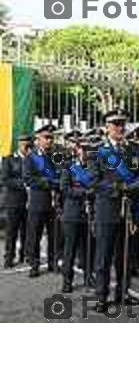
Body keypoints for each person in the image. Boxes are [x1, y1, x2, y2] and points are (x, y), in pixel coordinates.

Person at [88, 109, 139, 311]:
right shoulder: (98, 150)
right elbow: (94, 181)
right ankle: (101, 298)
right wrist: (117, 188)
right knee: (103, 257)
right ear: (107, 127)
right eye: (115, 124)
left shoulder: (134, 149)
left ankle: (123, 292)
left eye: (122, 124)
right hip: (107, 210)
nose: (120, 128)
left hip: (129, 210)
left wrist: (134, 187)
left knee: (126, 256)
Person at [24, 125, 60, 277]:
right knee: (35, 235)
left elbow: (61, 172)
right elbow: (28, 179)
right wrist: (48, 182)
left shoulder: (56, 155)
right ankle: (34, 264)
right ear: (38, 140)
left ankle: (53, 262)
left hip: (54, 202)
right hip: (38, 202)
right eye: (46, 137)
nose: (49, 140)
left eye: (51, 137)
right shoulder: (30, 158)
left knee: (54, 234)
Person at [60, 136, 93, 293]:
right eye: (83, 149)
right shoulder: (69, 167)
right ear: (77, 149)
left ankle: (88, 276)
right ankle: (67, 280)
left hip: (90, 215)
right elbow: (66, 189)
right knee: (70, 249)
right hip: (72, 214)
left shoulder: (94, 168)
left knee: (88, 248)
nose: (86, 152)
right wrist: (86, 192)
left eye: (89, 149)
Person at [1, 134, 32, 268]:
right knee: (12, 230)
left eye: (27, 142)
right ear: (19, 144)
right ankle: (9, 256)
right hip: (14, 200)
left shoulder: (33, 160)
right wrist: (23, 184)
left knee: (27, 230)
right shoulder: (9, 159)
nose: (25, 145)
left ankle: (24, 255)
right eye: (23, 142)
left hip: (30, 201)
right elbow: (5, 179)